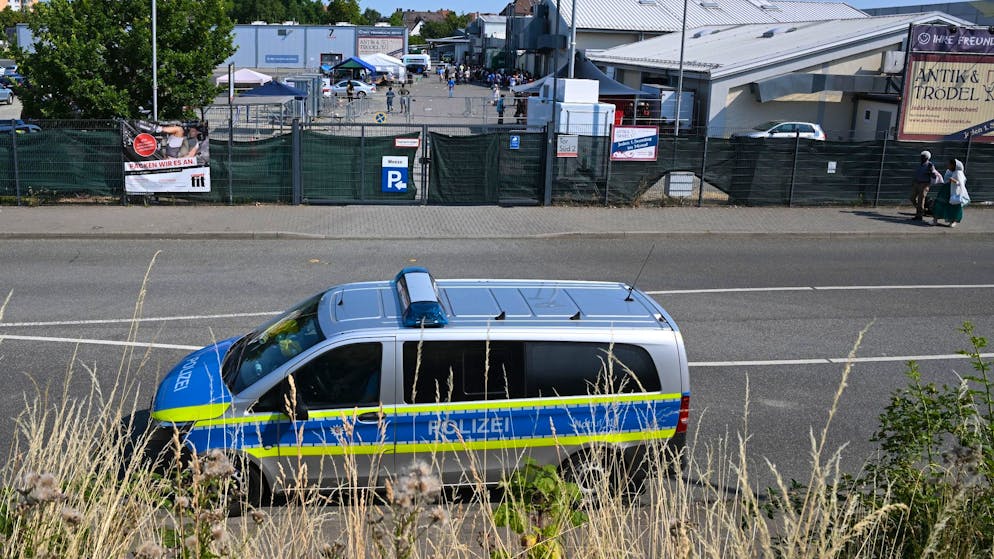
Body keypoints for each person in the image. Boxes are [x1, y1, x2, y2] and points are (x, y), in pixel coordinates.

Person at [931, 158, 968, 228]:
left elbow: (961, 183)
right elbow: (945, 180)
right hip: (945, 190)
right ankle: (935, 219)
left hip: (954, 192)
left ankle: (953, 221)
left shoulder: (958, 172)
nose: (948, 165)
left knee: (954, 206)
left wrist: (954, 180)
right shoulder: (948, 171)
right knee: (939, 203)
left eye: (950, 164)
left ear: (954, 165)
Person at [909, 150, 933, 220]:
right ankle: (922, 210)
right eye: (921, 156)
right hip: (917, 183)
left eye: (923, 156)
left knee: (921, 199)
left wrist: (931, 171)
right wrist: (913, 182)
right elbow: (916, 174)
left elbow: (934, 175)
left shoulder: (930, 165)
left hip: (924, 184)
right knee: (912, 198)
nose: (921, 158)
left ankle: (919, 215)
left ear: (927, 158)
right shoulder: (920, 164)